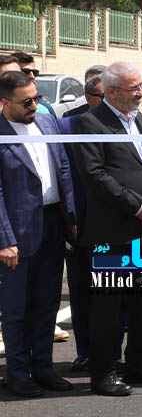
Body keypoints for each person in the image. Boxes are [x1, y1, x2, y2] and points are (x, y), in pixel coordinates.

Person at [71, 61, 142, 396]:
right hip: (110, 232)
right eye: (134, 88)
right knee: (108, 307)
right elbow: (95, 175)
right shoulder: (90, 123)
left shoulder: (141, 120)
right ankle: (103, 372)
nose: (141, 93)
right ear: (111, 92)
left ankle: (140, 363)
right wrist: (136, 205)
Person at [0, 71, 77, 397]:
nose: (34, 106)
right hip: (16, 234)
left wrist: (71, 218)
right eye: (26, 102)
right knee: (16, 310)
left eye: (37, 98)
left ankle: (43, 369)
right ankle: (18, 374)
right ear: (4, 103)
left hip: (51, 225)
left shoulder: (47, 123)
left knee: (46, 305)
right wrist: (5, 240)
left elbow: (63, 170)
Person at [58, 72, 107, 371]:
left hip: (117, 222)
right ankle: (86, 352)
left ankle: (112, 355)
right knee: (81, 290)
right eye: (104, 96)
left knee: (115, 289)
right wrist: (70, 219)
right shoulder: (67, 127)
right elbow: (62, 176)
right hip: (81, 224)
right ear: (89, 98)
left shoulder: (130, 124)